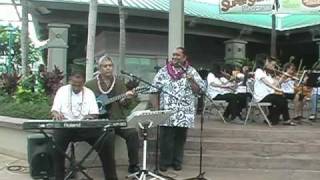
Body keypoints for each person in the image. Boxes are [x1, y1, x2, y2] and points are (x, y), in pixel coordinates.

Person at [51, 71, 117, 180]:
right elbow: (54, 110)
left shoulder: (89, 93)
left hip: (85, 128)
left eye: (79, 85)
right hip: (65, 127)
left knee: (106, 140)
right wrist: (57, 114)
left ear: (83, 83)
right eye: (74, 84)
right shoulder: (62, 91)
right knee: (56, 147)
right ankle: (58, 177)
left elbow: (95, 114)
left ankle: (111, 178)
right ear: (69, 81)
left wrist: (89, 117)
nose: (76, 87)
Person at [151, 47, 205, 172]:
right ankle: (164, 162)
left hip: (184, 112)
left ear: (184, 57)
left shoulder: (191, 71)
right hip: (167, 111)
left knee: (180, 138)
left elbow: (200, 90)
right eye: (173, 55)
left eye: (177, 55)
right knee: (166, 138)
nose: (174, 57)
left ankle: (177, 162)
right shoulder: (164, 71)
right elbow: (153, 90)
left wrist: (191, 81)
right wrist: (156, 109)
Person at [85, 55, 140, 174]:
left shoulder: (119, 83)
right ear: (100, 68)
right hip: (99, 122)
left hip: (117, 119)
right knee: (108, 136)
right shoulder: (90, 85)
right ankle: (110, 168)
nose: (108, 68)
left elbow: (123, 103)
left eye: (110, 66)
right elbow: (84, 103)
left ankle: (134, 165)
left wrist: (127, 98)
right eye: (105, 66)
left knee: (133, 134)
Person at [253, 56, 294, 125]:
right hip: (261, 96)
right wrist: (277, 89)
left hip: (269, 95)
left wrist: (283, 77)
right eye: (267, 62)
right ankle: (278, 118)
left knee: (282, 99)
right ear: (263, 62)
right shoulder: (258, 71)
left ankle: (272, 118)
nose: (268, 63)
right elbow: (267, 83)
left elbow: (276, 84)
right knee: (281, 99)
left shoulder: (267, 73)